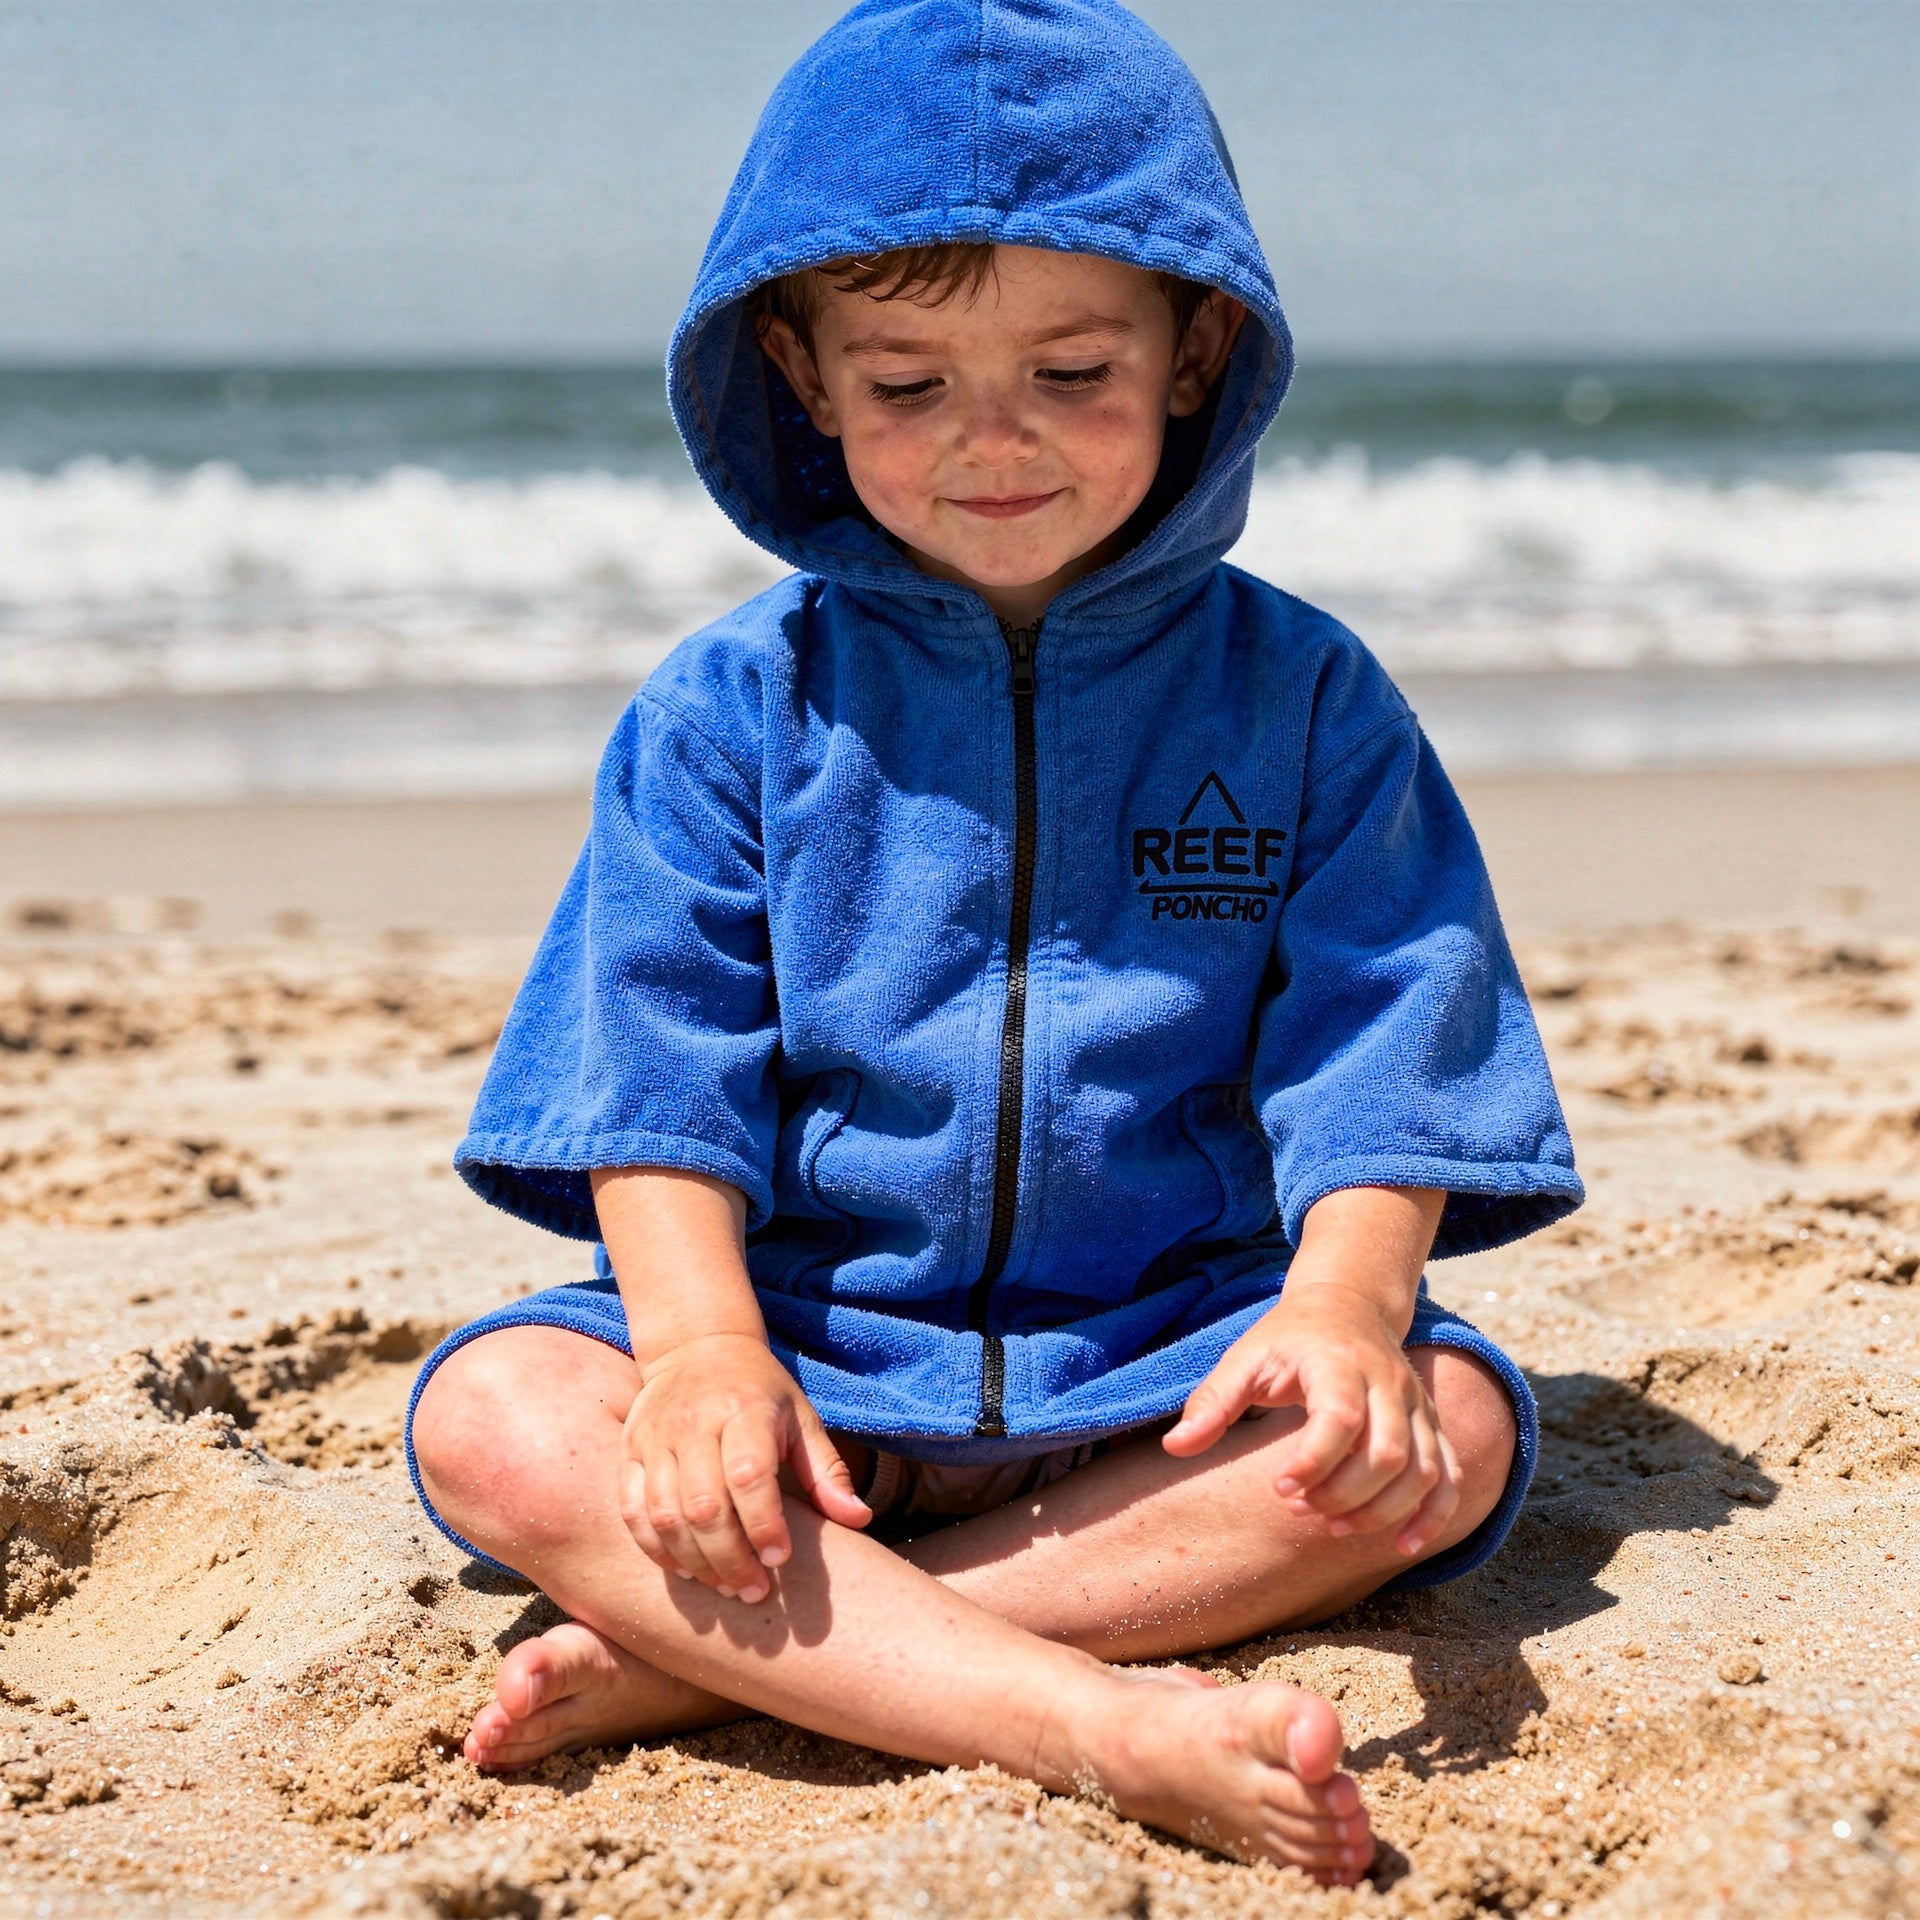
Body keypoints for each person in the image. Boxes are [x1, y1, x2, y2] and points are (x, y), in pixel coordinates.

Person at [405, 0, 1581, 1883]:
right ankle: (1084, 1718)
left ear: (1198, 350)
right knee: (497, 1419)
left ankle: (759, 1659)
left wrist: (1346, 1307)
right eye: (906, 384)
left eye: (1072, 368)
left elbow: (1390, 1038)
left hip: (1166, 1360)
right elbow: (652, 1067)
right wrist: (700, 1352)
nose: (992, 438)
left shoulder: (1306, 700)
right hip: (811, 1362)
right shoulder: (730, 711)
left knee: (1438, 1428)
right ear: (798, 373)